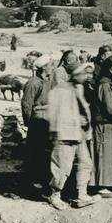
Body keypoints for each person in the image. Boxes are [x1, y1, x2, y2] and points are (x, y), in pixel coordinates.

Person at [46, 63, 99, 210]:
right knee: (62, 167)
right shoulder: (61, 90)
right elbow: (54, 112)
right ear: (76, 75)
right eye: (85, 74)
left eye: (89, 74)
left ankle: (82, 194)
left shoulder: (80, 89)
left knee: (85, 163)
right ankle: (54, 195)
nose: (87, 76)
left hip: (78, 134)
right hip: (64, 134)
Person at [91, 56, 112, 197]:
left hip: (107, 124)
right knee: (104, 154)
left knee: (106, 154)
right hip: (104, 124)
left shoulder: (107, 83)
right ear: (111, 69)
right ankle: (102, 187)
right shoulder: (105, 85)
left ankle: (103, 185)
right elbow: (110, 107)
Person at [20, 55, 54, 193]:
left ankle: (41, 178)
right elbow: (26, 104)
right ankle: (33, 181)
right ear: (44, 67)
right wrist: (30, 123)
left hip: (46, 120)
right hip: (37, 121)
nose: (52, 67)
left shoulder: (47, 81)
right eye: (50, 65)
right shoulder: (34, 83)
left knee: (44, 151)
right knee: (35, 151)